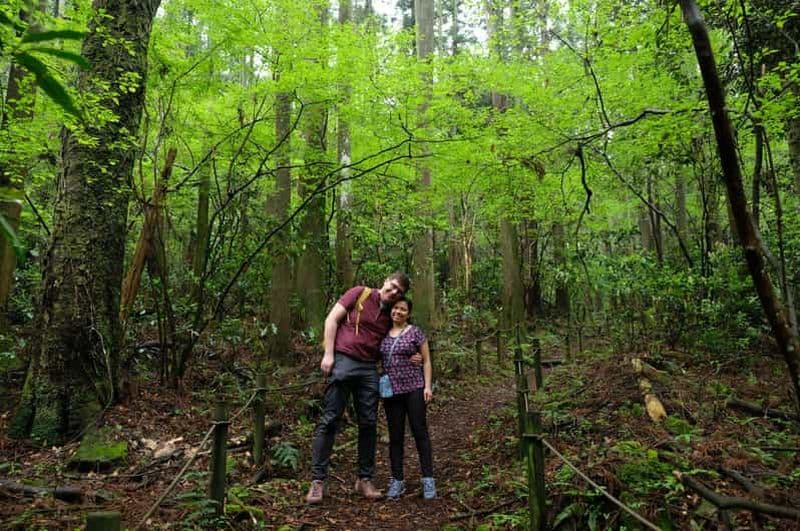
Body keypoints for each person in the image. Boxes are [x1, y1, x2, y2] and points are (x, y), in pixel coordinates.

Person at [306, 272, 411, 504]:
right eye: (392, 287)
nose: (393, 293)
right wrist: (328, 354)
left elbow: (398, 338)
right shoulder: (360, 293)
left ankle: (364, 479)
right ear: (385, 281)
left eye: (399, 292)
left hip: (369, 369)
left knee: (369, 423)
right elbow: (332, 319)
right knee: (330, 419)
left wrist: (413, 357)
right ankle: (318, 482)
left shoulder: (392, 314)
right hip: (343, 361)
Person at [381, 298, 436, 500]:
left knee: (419, 432)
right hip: (392, 392)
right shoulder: (383, 333)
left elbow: (427, 360)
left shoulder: (415, 332)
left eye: (403, 309)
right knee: (395, 436)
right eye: (395, 308)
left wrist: (427, 386)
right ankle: (397, 480)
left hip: (414, 388)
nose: (398, 311)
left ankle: (428, 480)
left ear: (408, 313)